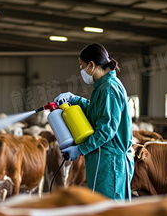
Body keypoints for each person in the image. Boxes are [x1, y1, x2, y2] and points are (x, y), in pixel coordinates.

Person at [54, 43, 134, 200]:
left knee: (108, 209)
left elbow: (107, 129)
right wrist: (74, 99)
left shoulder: (109, 88)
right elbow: (95, 110)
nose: (82, 71)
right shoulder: (102, 87)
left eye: (82, 67)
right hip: (102, 157)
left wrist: (80, 149)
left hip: (109, 160)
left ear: (92, 65)